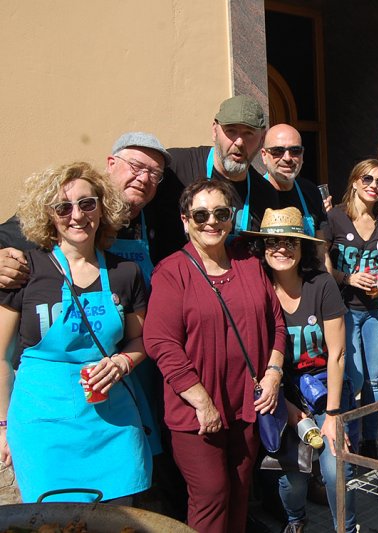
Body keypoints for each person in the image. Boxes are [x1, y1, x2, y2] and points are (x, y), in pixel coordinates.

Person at [0, 162, 151, 503]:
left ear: (102, 206)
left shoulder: (126, 273)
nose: (77, 215)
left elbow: (139, 339)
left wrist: (122, 363)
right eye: (63, 207)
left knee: (120, 522)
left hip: (112, 426)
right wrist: (3, 427)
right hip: (42, 430)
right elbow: (0, 358)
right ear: (48, 215)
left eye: (87, 203)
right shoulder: (25, 270)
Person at [143, 179, 286, 533]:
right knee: (212, 495)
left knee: (239, 490)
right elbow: (161, 342)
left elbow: (277, 323)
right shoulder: (172, 271)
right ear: (185, 220)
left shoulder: (249, 264)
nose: (212, 221)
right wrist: (202, 401)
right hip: (197, 412)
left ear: (232, 216)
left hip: (247, 404)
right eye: (201, 214)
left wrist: (273, 372)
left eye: (221, 213)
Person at [243, 207, 357, 533]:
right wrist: (290, 410)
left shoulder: (321, 284)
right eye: (273, 242)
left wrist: (334, 415)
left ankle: (345, 530)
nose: (282, 249)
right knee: (291, 478)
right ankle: (296, 520)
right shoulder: (257, 292)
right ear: (262, 249)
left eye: (290, 242)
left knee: (336, 468)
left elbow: (337, 353)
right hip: (281, 392)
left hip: (325, 386)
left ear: (302, 246)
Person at [0, 132, 171, 288]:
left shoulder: (155, 217)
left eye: (155, 173)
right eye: (136, 166)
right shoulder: (76, 206)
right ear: (111, 164)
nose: (144, 178)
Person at [150, 95, 276, 262]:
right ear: (215, 130)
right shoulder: (175, 168)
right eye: (231, 131)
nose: (239, 142)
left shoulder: (266, 195)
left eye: (248, 133)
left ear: (261, 139)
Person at [325, 159, 378, 459]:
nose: (373, 186)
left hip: (374, 309)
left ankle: (370, 441)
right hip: (344, 310)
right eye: (367, 179)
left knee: (375, 379)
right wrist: (348, 278)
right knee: (355, 377)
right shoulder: (335, 218)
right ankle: (350, 439)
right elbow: (321, 261)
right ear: (354, 181)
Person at [261, 124, 327, 239]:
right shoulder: (253, 194)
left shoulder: (311, 192)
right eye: (278, 151)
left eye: (295, 150)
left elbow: (320, 249)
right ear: (264, 155)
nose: (287, 158)